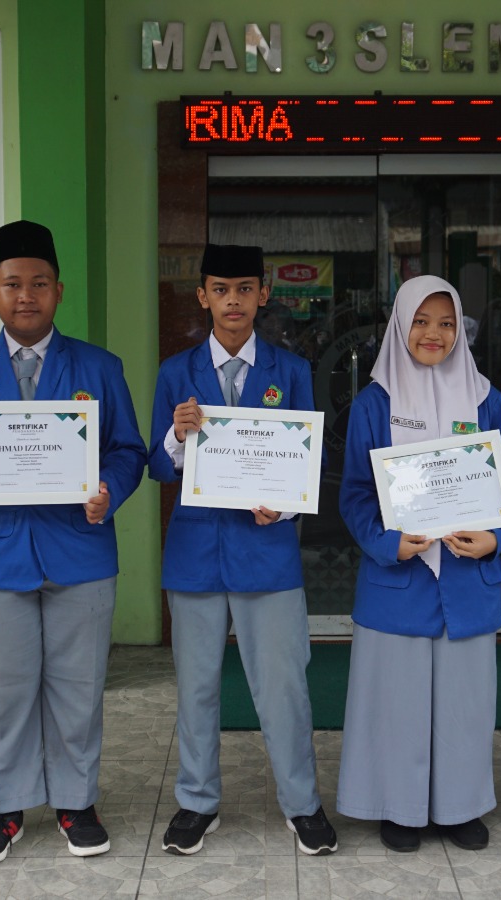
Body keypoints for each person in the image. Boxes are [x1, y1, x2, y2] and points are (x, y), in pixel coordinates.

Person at [0, 221, 146, 861]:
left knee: (79, 685)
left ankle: (76, 801)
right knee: (4, 688)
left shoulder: (98, 367)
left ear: (59, 291)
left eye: (40, 283)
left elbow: (128, 450)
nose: (27, 296)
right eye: (13, 284)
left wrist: (108, 488)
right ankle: (5, 805)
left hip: (80, 549)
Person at [148, 243, 337, 857]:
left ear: (263, 295)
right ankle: (196, 801)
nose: (234, 300)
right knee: (197, 687)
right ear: (202, 295)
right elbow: (157, 465)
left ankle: (302, 804)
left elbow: (311, 460)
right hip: (196, 552)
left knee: (283, 688)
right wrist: (177, 437)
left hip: (267, 551)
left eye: (245, 289)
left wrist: (284, 506)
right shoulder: (176, 372)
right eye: (221, 289)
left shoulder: (292, 370)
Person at [335, 275, 501, 853]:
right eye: (420, 321)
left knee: (465, 703)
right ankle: (400, 806)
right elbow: (355, 494)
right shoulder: (374, 403)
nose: (433, 334)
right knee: (398, 702)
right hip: (400, 578)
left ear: (461, 329)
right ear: (399, 326)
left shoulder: (487, 400)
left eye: (446, 323)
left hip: (467, 578)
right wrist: (387, 542)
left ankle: (460, 807)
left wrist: (496, 538)